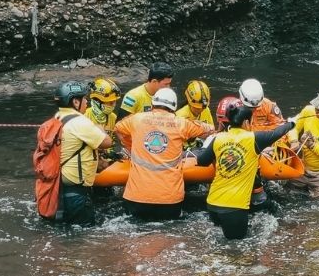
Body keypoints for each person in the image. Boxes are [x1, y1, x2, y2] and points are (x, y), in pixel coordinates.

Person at [195, 104, 295, 239]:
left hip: (212, 204)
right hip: (234, 208)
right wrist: (291, 123)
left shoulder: (218, 138)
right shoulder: (253, 138)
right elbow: (277, 133)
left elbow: (201, 161)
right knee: (237, 252)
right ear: (246, 122)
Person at [114, 88, 213, 221]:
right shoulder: (181, 123)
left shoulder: (136, 119)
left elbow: (118, 128)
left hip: (136, 198)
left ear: (153, 104)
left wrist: (130, 146)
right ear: (173, 107)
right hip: (170, 200)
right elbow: (209, 130)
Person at [53, 81, 113, 225]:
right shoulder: (80, 122)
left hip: (57, 188)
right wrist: (100, 128)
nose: (87, 102)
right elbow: (107, 142)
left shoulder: (58, 117)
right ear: (75, 101)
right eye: (84, 99)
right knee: (84, 235)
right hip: (76, 192)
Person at [238, 78, 286, 209]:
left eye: (256, 107)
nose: (253, 110)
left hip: (267, 149)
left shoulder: (269, 106)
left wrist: (273, 147)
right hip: (245, 150)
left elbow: (281, 129)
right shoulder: (234, 109)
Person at [85, 77, 122, 171]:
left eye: (114, 102)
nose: (113, 105)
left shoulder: (112, 117)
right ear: (97, 101)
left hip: (105, 158)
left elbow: (113, 142)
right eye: (110, 103)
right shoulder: (85, 117)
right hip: (89, 160)